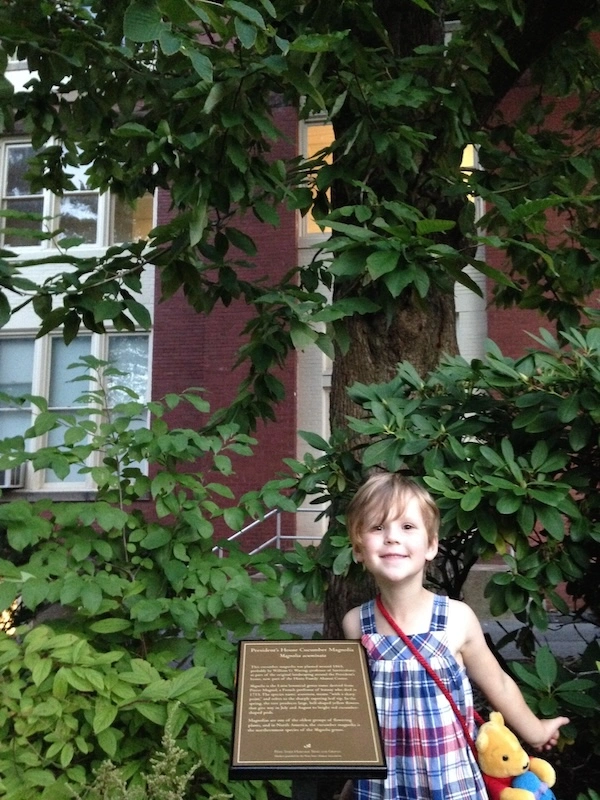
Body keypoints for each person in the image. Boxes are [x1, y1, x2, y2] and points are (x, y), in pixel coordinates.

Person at [342, 472, 569, 800]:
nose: (392, 537)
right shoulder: (356, 625)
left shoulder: (456, 619)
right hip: (384, 784)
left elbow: (499, 684)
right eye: (377, 528)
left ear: (431, 545)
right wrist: (351, 778)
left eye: (407, 527)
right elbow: (357, 712)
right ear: (359, 549)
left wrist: (536, 731)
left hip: (450, 778)